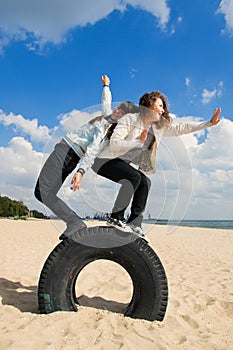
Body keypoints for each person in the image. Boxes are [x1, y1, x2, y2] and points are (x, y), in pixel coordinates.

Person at [90, 90, 221, 238]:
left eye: (163, 107)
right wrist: (137, 142)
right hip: (103, 160)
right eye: (160, 105)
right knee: (134, 177)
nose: (163, 110)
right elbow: (114, 144)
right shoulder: (130, 119)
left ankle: (134, 224)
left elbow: (182, 128)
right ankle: (115, 218)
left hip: (119, 162)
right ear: (150, 105)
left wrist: (209, 123)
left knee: (145, 182)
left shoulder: (156, 128)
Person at [34, 75, 139, 238]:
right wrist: (106, 86)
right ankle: (73, 221)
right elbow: (106, 103)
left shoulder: (106, 128)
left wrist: (81, 171)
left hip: (67, 153)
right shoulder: (107, 118)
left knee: (41, 192)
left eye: (122, 112)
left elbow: (92, 149)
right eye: (119, 108)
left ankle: (74, 222)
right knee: (46, 193)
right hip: (68, 154)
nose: (117, 111)